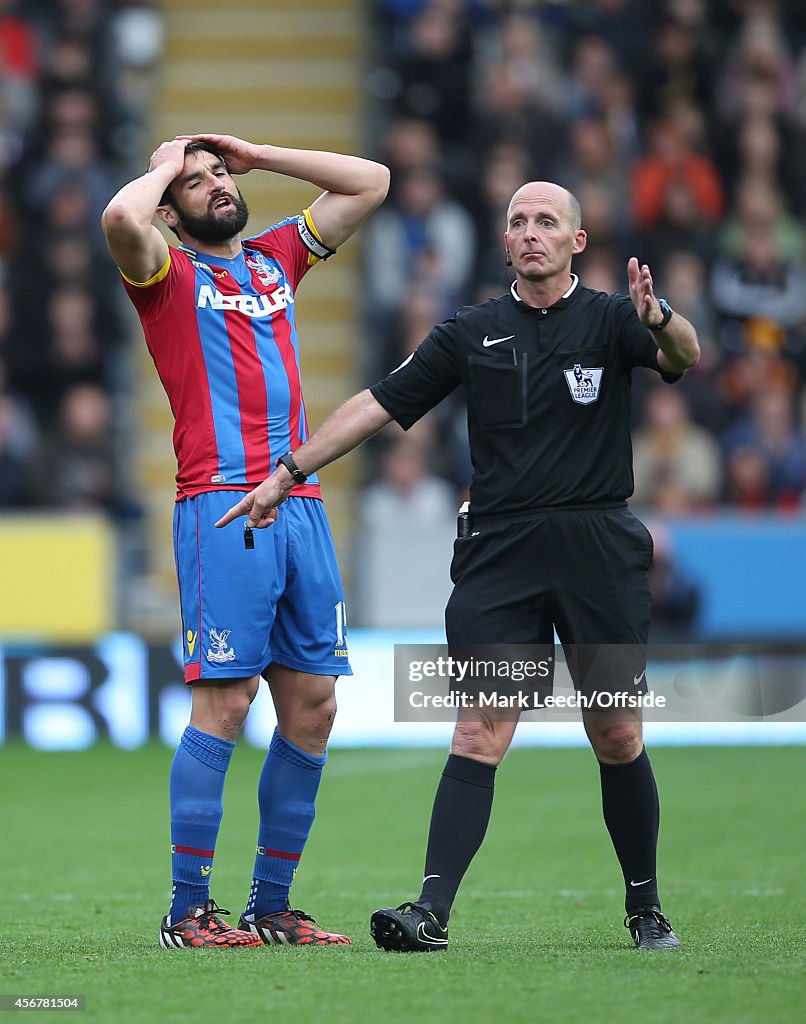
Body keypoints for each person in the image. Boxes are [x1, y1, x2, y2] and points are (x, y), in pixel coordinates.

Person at [215, 182, 700, 952]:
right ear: (504, 241)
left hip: (596, 548)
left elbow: (684, 356)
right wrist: (288, 470)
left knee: (614, 729)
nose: (531, 233)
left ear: (577, 241)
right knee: (477, 729)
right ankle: (430, 912)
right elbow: (379, 403)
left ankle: (645, 908)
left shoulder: (615, 318)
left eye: (547, 222)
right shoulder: (471, 332)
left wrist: (663, 319)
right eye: (518, 222)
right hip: (500, 554)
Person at [101, 134, 389, 949]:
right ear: (170, 207)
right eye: (197, 183)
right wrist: (165, 166)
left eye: (220, 174)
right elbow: (122, 212)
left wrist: (255, 153)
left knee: (313, 706)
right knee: (224, 704)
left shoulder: (272, 261)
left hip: (301, 498)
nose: (217, 185)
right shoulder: (162, 274)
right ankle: (187, 910)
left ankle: (272, 907)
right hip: (222, 508)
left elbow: (371, 181)